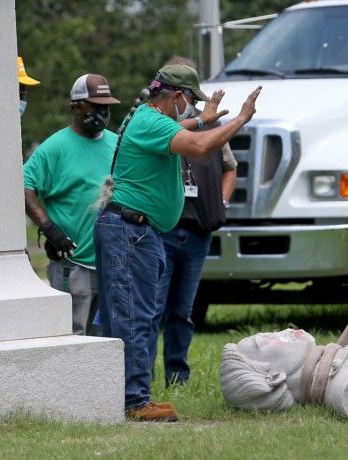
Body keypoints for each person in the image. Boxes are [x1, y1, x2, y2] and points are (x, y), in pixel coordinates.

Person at [94, 64, 261, 422]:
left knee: (131, 315)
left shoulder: (148, 118)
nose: (192, 107)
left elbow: (185, 130)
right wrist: (241, 119)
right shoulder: (152, 122)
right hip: (130, 231)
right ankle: (135, 402)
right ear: (176, 96)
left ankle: (121, 397)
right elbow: (199, 146)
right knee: (133, 317)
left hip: (136, 230)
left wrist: (203, 119)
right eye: (191, 101)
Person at [150, 75, 238, 387]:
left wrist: (222, 202)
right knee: (153, 309)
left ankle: (178, 378)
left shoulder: (211, 127)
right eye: (188, 95)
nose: (191, 103)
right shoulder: (158, 126)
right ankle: (143, 379)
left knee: (182, 311)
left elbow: (230, 167)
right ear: (175, 94)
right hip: (163, 231)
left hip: (199, 231)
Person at [23, 74, 122, 336]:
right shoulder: (55, 147)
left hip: (111, 262)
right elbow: (23, 186)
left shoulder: (116, 144)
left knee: (106, 340)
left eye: (106, 107)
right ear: (75, 107)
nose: (102, 113)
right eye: (95, 106)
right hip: (73, 264)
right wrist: (49, 228)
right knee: (71, 339)